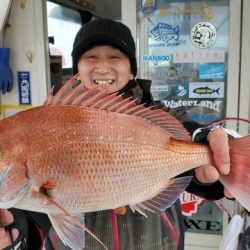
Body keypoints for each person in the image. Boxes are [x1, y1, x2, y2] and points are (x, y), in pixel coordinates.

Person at [0, 18, 233, 250]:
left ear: (132, 70)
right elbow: (35, 216)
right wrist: (18, 232)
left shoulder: (157, 114)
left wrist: (217, 146)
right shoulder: (47, 121)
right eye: (91, 57)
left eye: (115, 57)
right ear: (77, 70)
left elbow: (195, 137)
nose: (102, 66)